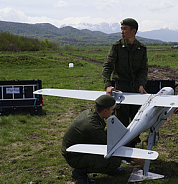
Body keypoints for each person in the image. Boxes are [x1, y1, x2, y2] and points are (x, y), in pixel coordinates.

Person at [61, 95, 144, 184]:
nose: (113, 112)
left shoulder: (92, 113)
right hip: (74, 156)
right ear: (105, 110)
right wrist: (132, 157)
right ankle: (79, 173)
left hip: (79, 149)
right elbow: (109, 147)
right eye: (112, 109)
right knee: (114, 161)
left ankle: (107, 169)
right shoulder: (92, 127)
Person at [102, 18, 148, 148]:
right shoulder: (117, 47)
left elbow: (143, 70)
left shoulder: (142, 48)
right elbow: (107, 67)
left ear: (133, 31)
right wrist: (108, 85)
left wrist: (141, 84)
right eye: (121, 28)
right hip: (120, 89)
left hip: (135, 91)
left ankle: (131, 148)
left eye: (125, 29)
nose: (121, 31)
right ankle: (118, 149)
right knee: (120, 120)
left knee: (135, 120)